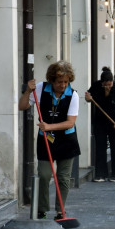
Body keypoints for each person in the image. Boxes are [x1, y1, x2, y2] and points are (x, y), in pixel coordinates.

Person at [19, 61, 81, 220]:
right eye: (60, 82)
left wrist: (49, 126)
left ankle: (61, 211)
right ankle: (42, 209)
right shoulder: (40, 88)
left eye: (66, 82)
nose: (63, 85)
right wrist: (27, 91)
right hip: (46, 139)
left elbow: (70, 122)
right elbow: (23, 106)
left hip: (67, 140)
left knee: (63, 177)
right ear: (52, 80)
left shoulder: (73, 95)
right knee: (45, 174)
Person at [85, 67, 115, 183]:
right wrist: (88, 98)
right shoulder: (96, 86)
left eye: (109, 85)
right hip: (100, 122)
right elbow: (88, 97)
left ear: (112, 82)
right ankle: (101, 174)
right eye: (105, 85)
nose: (108, 87)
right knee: (100, 147)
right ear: (102, 83)